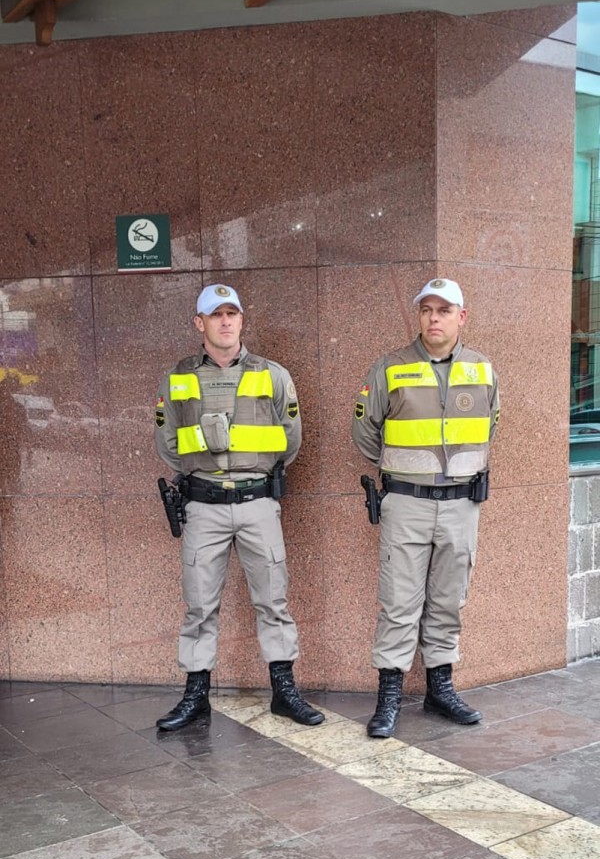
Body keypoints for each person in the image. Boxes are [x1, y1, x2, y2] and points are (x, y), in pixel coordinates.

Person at [155, 283, 324, 732]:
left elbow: (291, 440)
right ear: (200, 323)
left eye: (232, 313)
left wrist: (253, 472)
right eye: (216, 315)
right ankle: (196, 696)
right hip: (204, 503)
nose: (225, 322)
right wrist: (208, 472)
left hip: (256, 502)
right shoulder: (180, 376)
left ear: (242, 320)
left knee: (273, 600)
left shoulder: (274, 375)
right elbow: (168, 443)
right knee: (199, 604)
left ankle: (284, 690)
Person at [352, 277, 499, 738]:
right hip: (407, 503)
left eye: (444, 310)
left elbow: (490, 424)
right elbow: (364, 431)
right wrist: (403, 468)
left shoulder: (482, 369)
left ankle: (440, 688)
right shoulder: (390, 368)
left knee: (448, 601)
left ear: (461, 316)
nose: (434, 318)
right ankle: (390, 696)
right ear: (419, 316)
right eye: (426, 310)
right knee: (398, 603)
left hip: (461, 505)